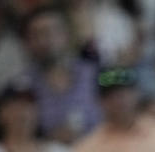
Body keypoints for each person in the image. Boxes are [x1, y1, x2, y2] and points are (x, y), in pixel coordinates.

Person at [21, 4, 101, 142]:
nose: (43, 41)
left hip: (101, 150)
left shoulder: (94, 71)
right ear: (28, 43)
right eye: (35, 35)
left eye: (48, 32)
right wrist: (50, 139)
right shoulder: (22, 86)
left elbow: (127, 87)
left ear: (66, 35)